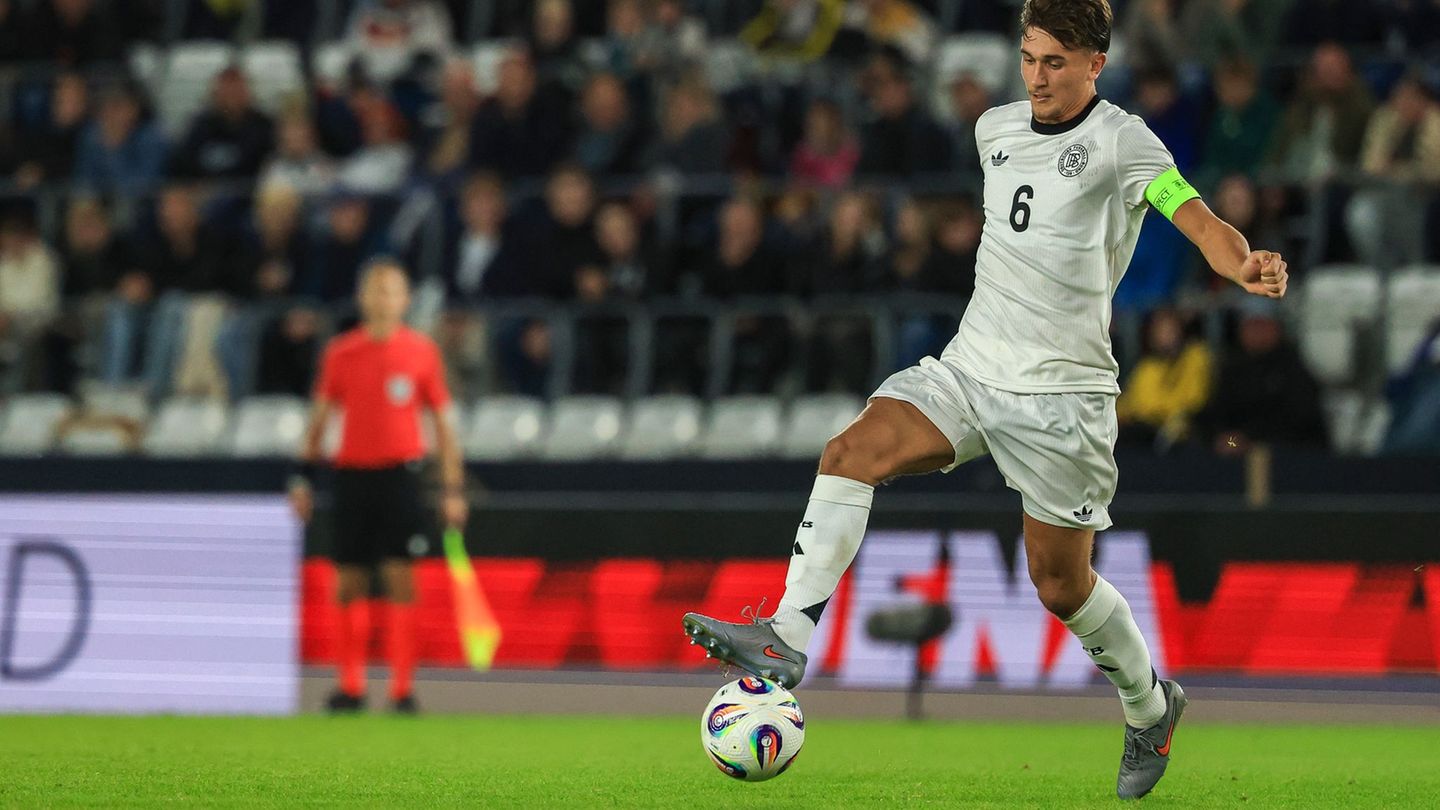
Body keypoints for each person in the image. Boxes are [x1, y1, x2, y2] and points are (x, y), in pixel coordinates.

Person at [682, 0, 1288, 800]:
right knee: (849, 452)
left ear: (1095, 65)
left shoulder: (1122, 139)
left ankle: (1150, 707)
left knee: (1061, 586)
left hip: (1063, 398)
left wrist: (1240, 262)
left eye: (1056, 63)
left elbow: (1197, 216)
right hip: (969, 370)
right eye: (1030, 58)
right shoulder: (994, 130)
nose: (1037, 77)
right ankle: (786, 639)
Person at [289, 258, 467, 714]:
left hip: (400, 476)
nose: (383, 299)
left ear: (405, 300)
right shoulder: (341, 353)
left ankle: (401, 688)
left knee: (401, 579)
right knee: (348, 580)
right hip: (352, 475)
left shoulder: (422, 352)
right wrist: (303, 478)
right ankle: (350, 685)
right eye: (376, 290)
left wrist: (452, 488)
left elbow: (444, 426)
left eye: (391, 291)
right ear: (363, 298)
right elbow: (319, 419)